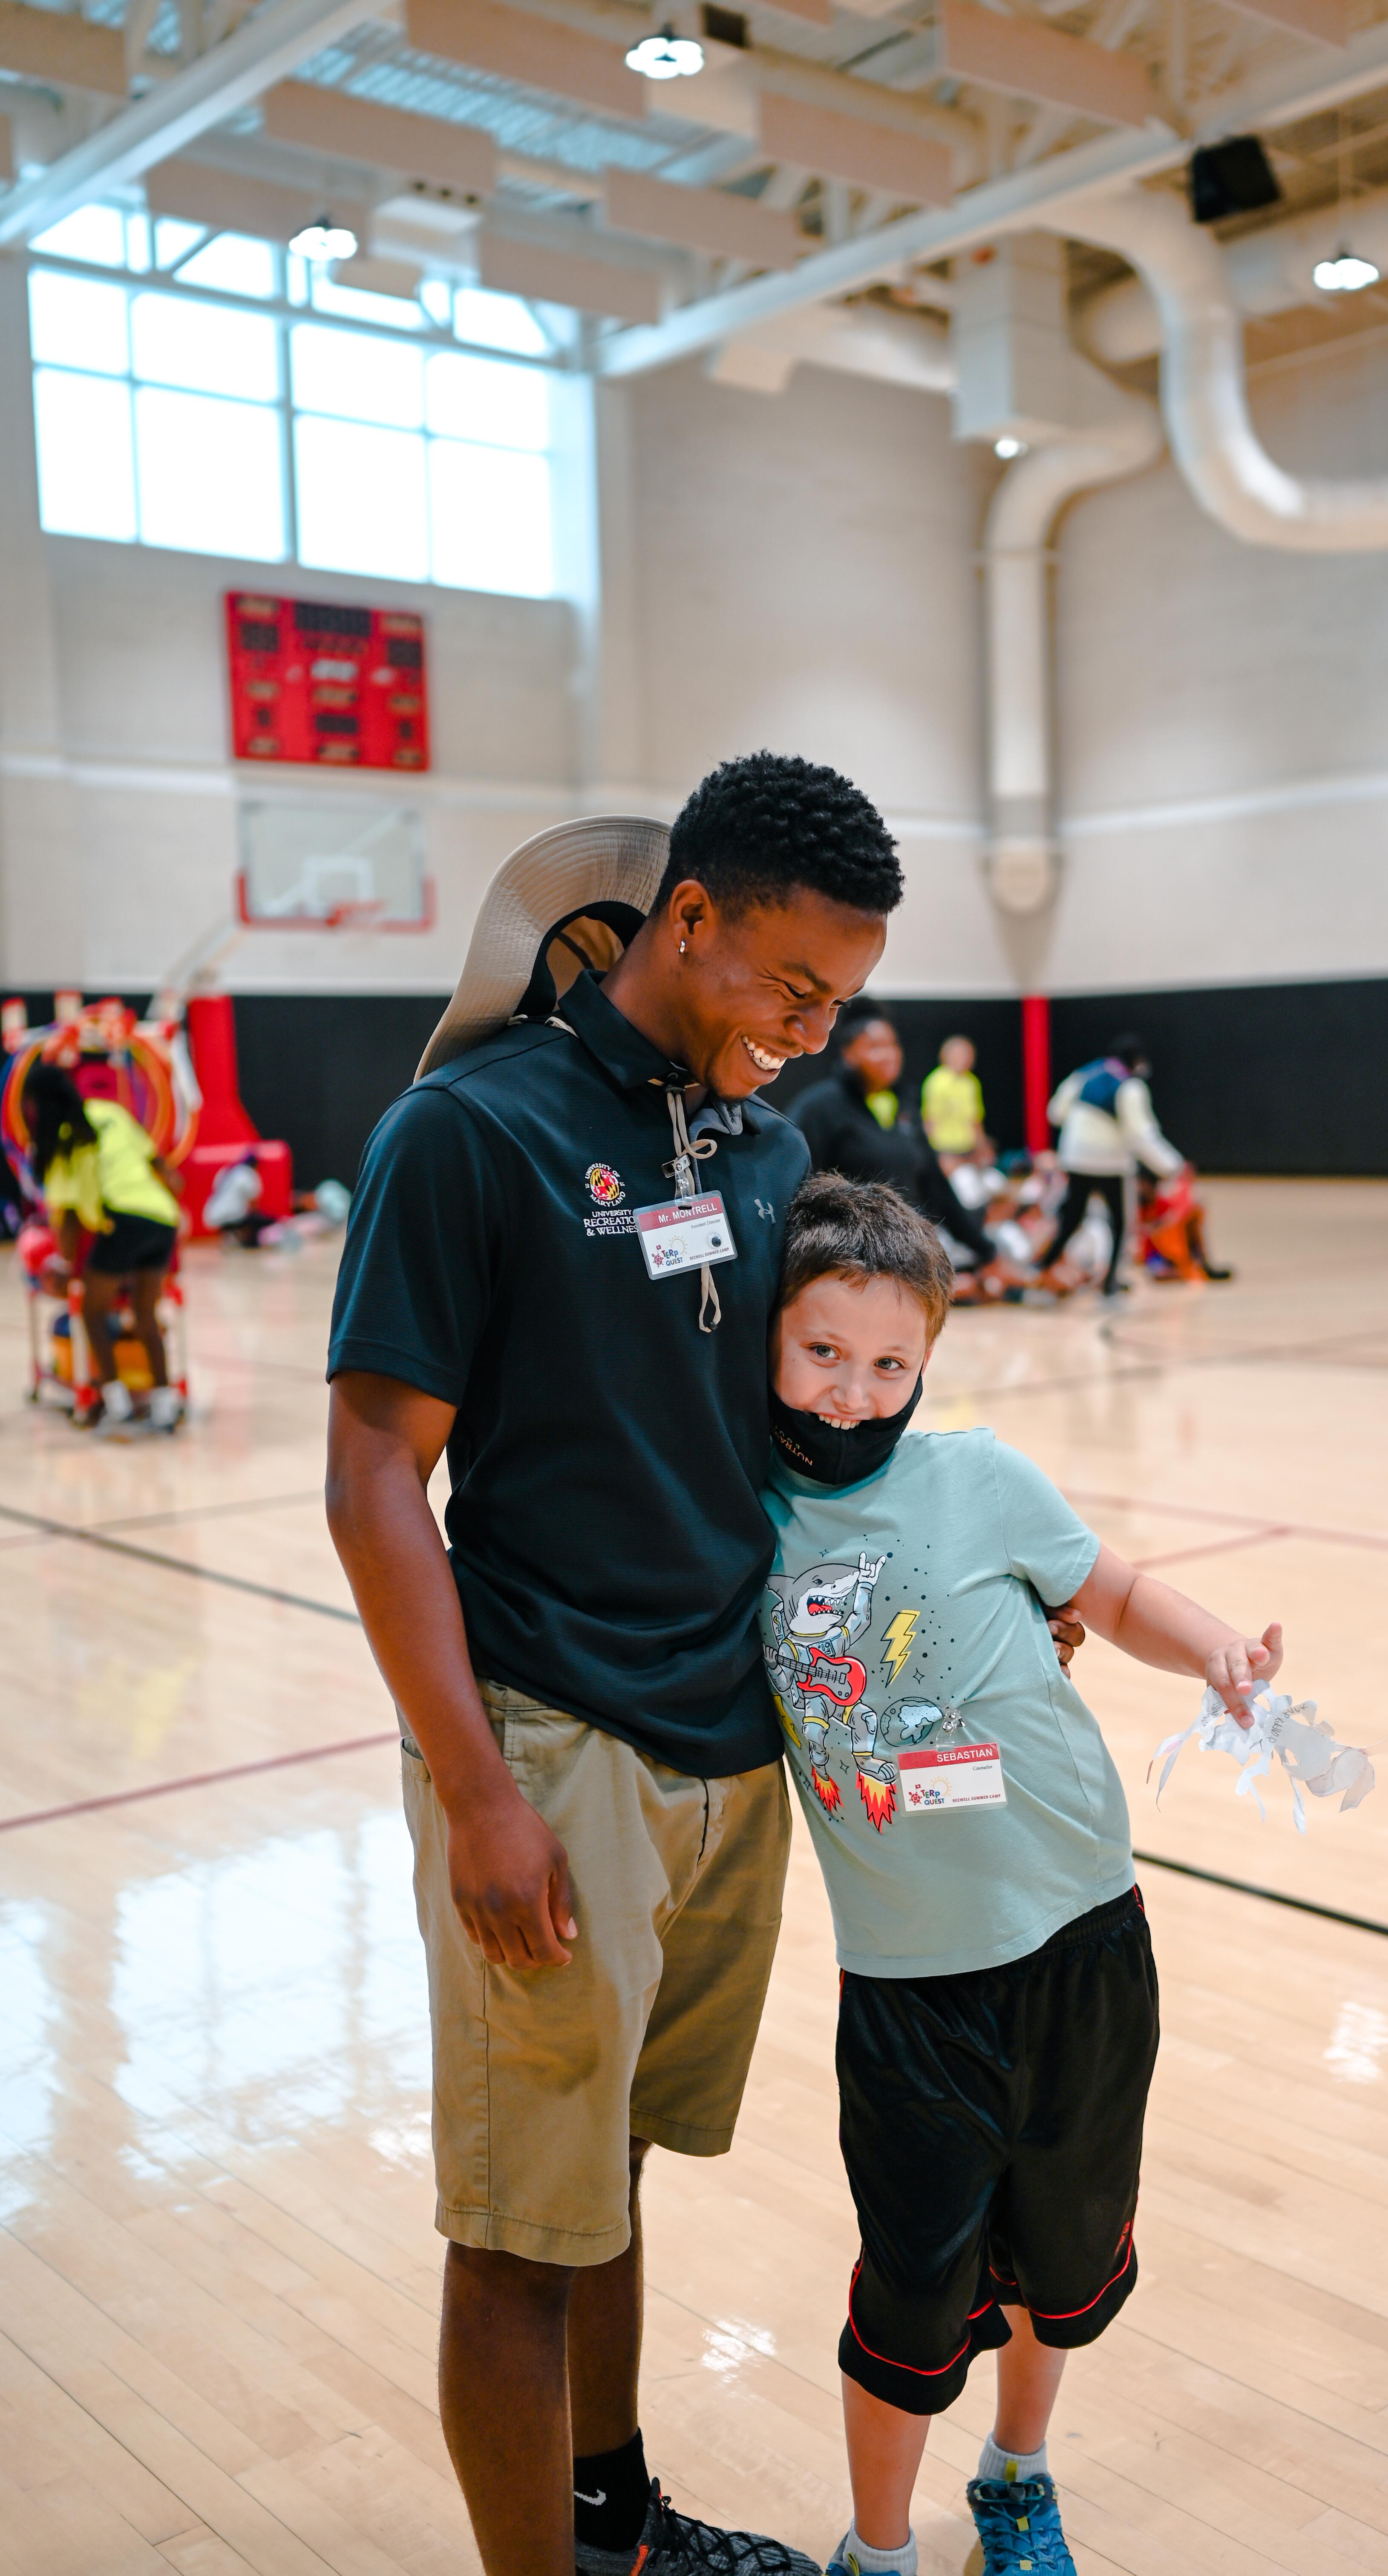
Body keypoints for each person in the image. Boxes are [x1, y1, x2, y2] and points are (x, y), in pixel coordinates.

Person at [323, 762, 1081, 2576]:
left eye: (841, 998)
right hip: (547, 1735)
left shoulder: (762, 1148)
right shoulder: (469, 1131)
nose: (813, 1031)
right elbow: (370, 1479)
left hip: (731, 1742)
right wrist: (478, 1794)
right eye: (792, 985)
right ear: (685, 919)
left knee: (608, 2174)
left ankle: (613, 2525)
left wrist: (975, 1600)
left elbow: (803, 1444)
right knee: (519, 2227)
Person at [758, 1175, 1283, 2576]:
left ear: (929, 1357)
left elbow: (1113, 1593)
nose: (856, 1391)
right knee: (914, 2290)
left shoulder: (978, 1477)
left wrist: (1217, 1651)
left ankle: (1016, 2477)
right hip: (911, 1994)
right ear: (767, 1336)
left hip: (1084, 1942)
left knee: (1064, 2253)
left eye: (892, 1363)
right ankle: (877, 2551)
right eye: (823, 1351)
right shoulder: (737, 1521)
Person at [22, 1055, 184, 1434]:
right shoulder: (109, 1112)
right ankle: (164, 1405)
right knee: (145, 1314)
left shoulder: (63, 1140)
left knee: (93, 1311)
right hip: (163, 1216)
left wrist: (62, 1266)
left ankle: (116, 1404)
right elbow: (160, 1167)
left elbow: (70, 1219)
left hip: (122, 1218)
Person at [791, 1008, 1006, 1288]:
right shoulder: (820, 1108)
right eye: (875, 1047)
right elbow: (799, 1186)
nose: (890, 1055)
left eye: (893, 1045)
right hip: (848, 1262)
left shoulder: (906, 1106)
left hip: (908, 1257)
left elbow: (936, 1187)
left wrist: (987, 1252)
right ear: (848, 1054)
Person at [1042, 1035, 1185, 1297]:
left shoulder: (1083, 1075)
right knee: (1122, 1223)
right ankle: (1111, 1281)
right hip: (1111, 1164)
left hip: (1075, 1159)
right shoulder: (1130, 1087)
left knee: (1071, 1218)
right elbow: (1142, 1135)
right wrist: (1173, 1166)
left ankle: (1042, 1268)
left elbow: (1055, 1113)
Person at [919, 1035, 988, 1165]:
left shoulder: (972, 1083)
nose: (965, 1059)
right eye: (959, 1054)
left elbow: (976, 1120)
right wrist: (930, 1155)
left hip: (969, 1149)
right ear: (946, 1056)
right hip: (944, 1150)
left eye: (968, 1054)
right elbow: (929, 1120)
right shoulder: (936, 1082)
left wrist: (982, 1147)